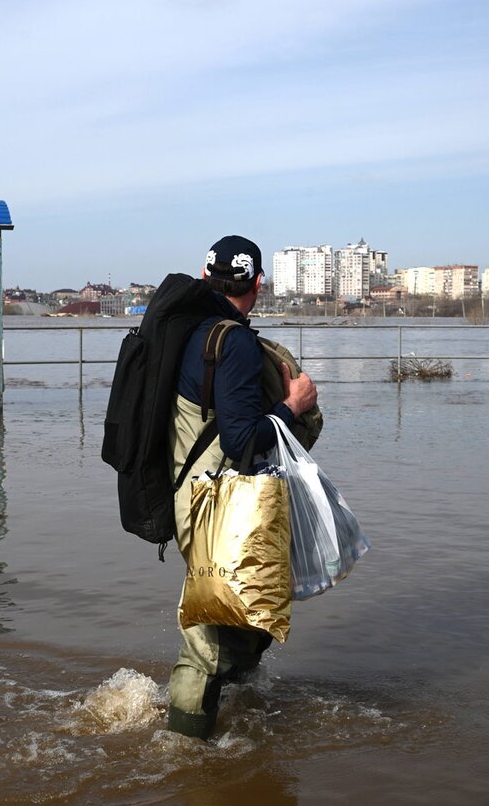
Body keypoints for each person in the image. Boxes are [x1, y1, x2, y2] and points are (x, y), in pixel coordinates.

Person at [166, 234, 318, 739]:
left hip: (197, 496)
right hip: (218, 505)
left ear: (206, 276)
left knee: (252, 616)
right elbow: (243, 438)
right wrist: (293, 405)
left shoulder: (191, 329)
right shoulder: (233, 343)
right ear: (258, 284)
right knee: (208, 640)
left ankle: (232, 718)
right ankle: (182, 750)